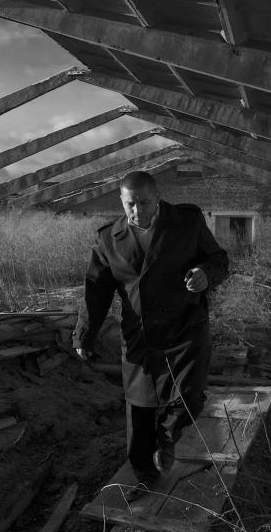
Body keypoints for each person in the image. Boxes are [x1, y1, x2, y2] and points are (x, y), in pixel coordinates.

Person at [73, 171, 229, 490]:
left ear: (157, 197)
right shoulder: (107, 239)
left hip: (185, 326)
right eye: (130, 204)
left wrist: (205, 274)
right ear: (121, 201)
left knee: (190, 396)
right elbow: (96, 292)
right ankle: (144, 473)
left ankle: (169, 434)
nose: (137, 211)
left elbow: (219, 260)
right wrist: (85, 336)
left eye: (144, 202)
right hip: (141, 333)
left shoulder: (186, 222)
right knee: (141, 405)